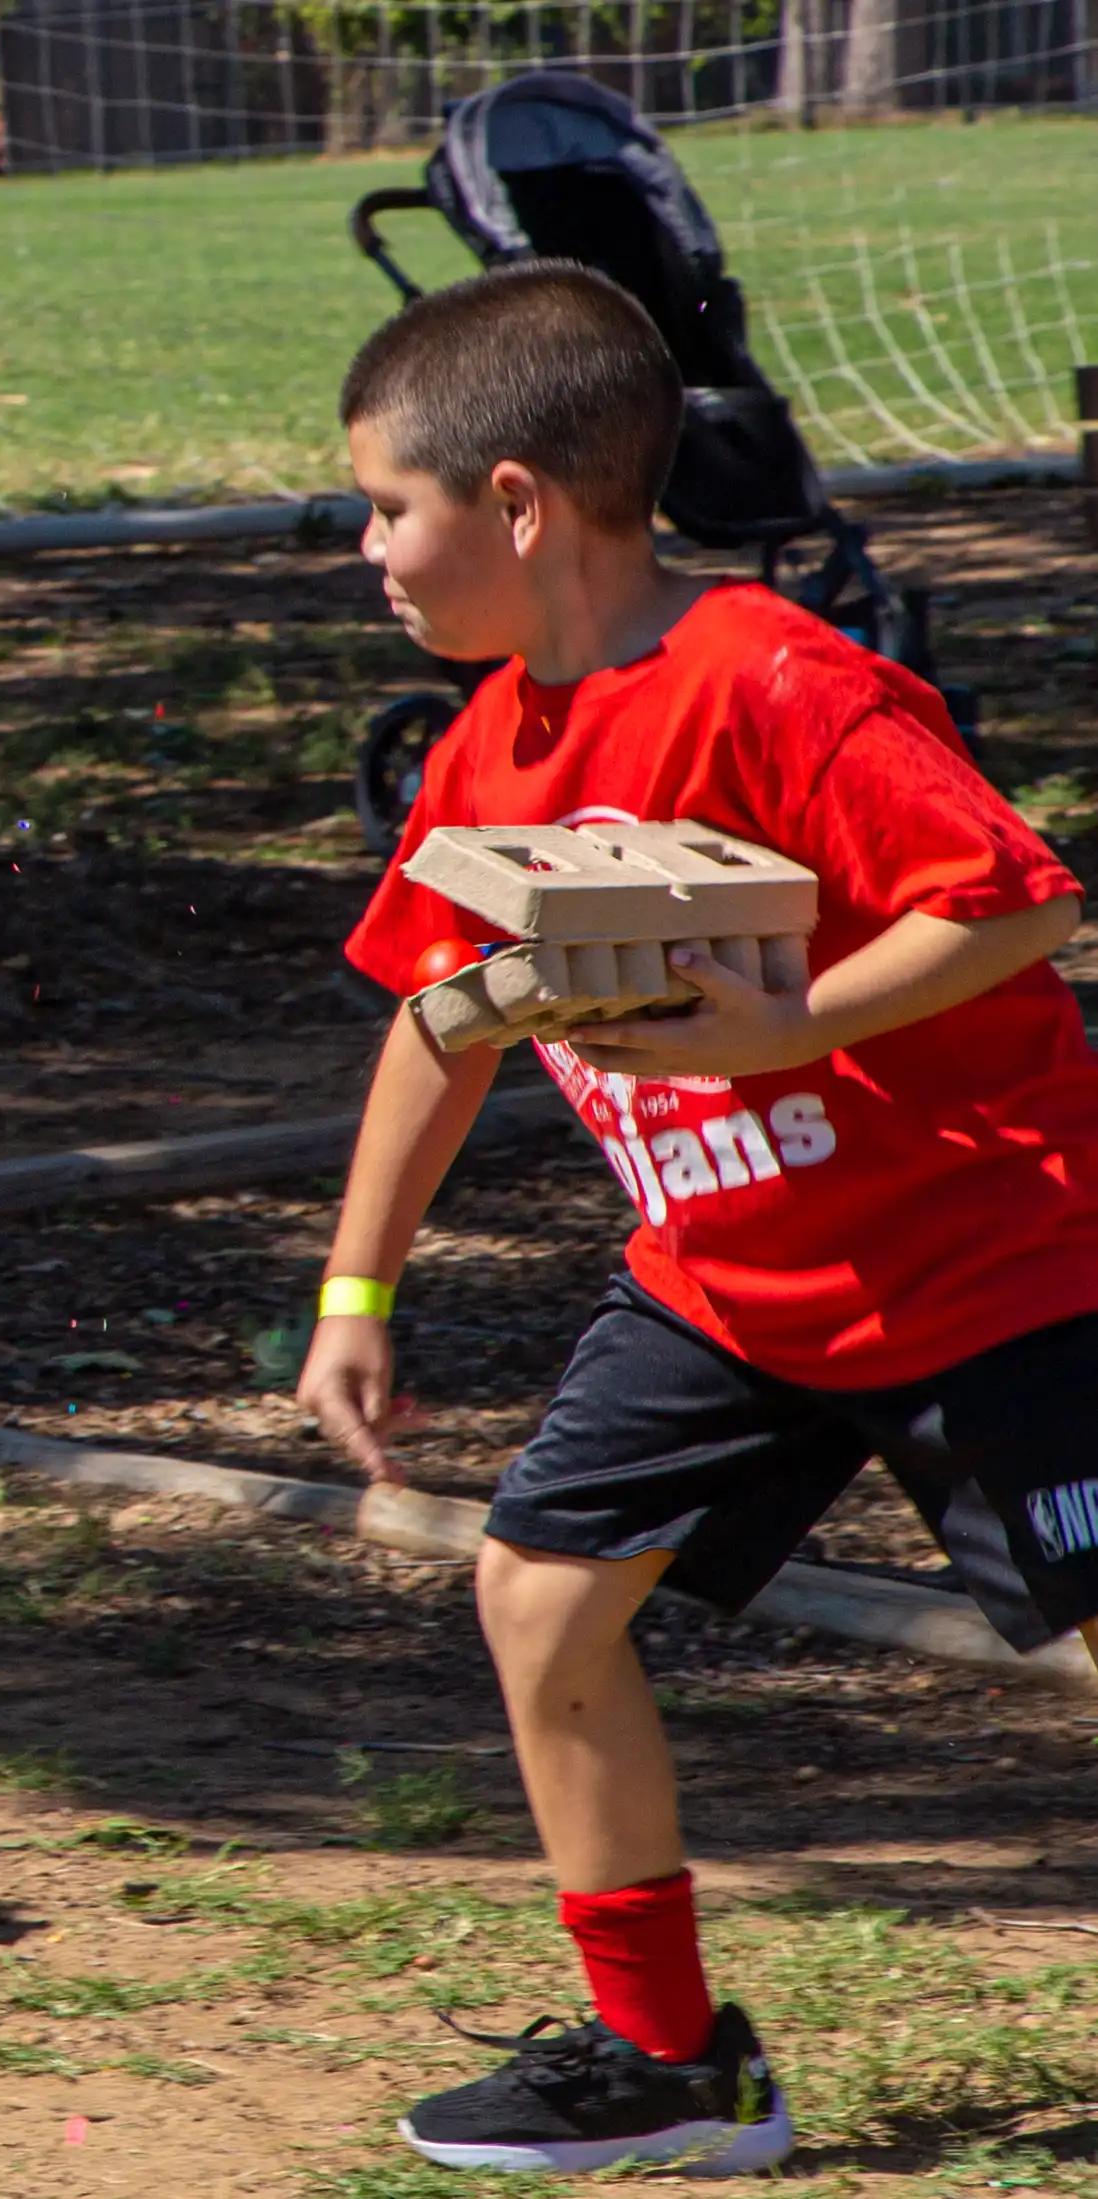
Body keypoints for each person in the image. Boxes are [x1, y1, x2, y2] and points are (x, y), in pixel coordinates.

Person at [306, 260, 1098, 2176]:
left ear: (514, 504)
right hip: (729, 1285)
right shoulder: (485, 748)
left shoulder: (775, 679)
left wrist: (795, 1019)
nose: (365, 550)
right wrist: (354, 1286)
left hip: (994, 1262)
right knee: (539, 1596)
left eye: (387, 508)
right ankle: (670, 2066)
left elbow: (1016, 901)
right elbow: (439, 1017)